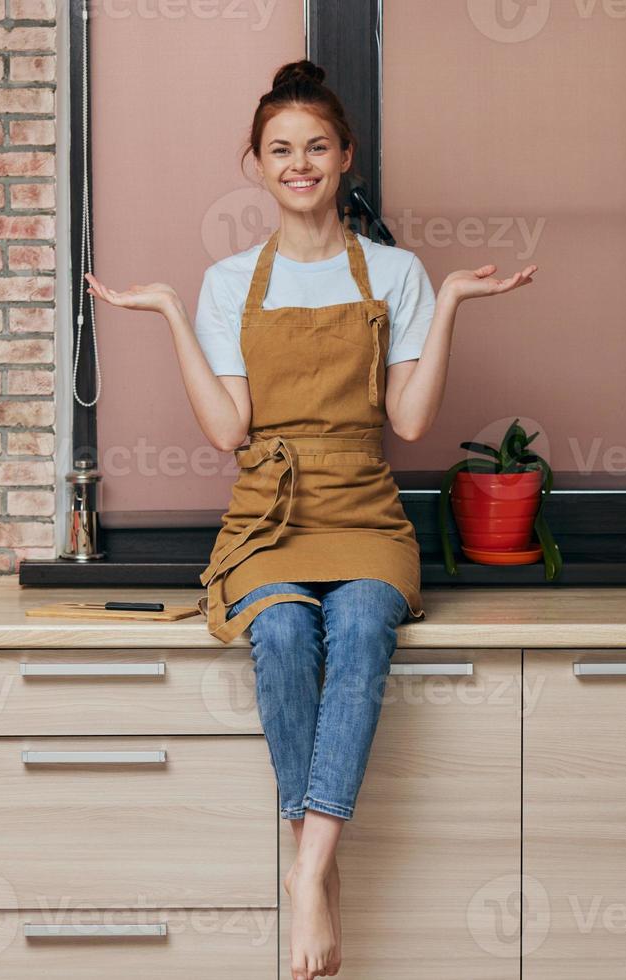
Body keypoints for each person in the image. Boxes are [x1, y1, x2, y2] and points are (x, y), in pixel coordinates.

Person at [84, 58, 536, 980]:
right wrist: (171, 315)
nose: (300, 163)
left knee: (365, 619)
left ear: (345, 159)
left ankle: (307, 867)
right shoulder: (223, 284)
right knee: (284, 629)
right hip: (268, 515)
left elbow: (408, 423)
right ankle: (317, 868)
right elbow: (228, 431)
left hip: (364, 509)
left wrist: (448, 302)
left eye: (316, 147)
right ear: (254, 163)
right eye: (280, 149)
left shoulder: (399, 274)